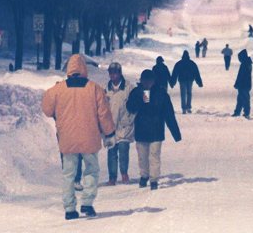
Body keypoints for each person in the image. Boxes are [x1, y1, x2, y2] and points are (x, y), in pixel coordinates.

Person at [42, 54, 115, 220]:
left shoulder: (58, 90)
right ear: (84, 68)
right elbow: (104, 114)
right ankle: (87, 203)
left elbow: (47, 109)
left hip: (67, 138)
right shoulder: (94, 88)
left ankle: (69, 209)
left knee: (68, 173)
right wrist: (109, 133)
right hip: (89, 137)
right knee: (91, 169)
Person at [126, 69, 181, 191]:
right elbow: (130, 108)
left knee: (154, 156)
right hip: (141, 130)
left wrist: (176, 133)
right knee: (142, 156)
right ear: (141, 81)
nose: (147, 83)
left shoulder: (161, 93)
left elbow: (169, 114)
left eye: (149, 81)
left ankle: (154, 179)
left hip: (156, 131)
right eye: (144, 81)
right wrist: (139, 97)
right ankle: (144, 175)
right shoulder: (136, 92)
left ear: (153, 81)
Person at [105, 62, 135, 186]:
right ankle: (112, 177)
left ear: (120, 73)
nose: (113, 75)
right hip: (110, 126)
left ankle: (124, 173)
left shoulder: (128, 87)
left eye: (115, 73)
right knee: (111, 153)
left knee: (123, 150)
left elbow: (137, 104)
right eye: (111, 73)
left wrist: (129, 119)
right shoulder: (106, 89)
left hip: (124, 126)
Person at [232, 49, 252, 119]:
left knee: (245, 99)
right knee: (240, 99)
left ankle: (246, 113)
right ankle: (237, 112)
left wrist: (237, 84)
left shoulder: (244, 64)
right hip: (244, 85)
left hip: (244, 85)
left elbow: (241, 76)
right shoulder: (247, 63)